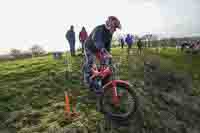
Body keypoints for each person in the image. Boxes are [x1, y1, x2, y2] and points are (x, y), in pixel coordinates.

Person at [83, 16, 121, 93]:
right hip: (89, 47)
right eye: (114, 28)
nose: (114, 30)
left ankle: (102, 79)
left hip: (98, 49)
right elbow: (98, 42)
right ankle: (87, 80)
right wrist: (104, 52)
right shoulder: (99, 29)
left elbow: (108, 46)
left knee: (105, 62)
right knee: (90, 61)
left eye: (116, 29)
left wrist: (108, 56)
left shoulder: (110, 34)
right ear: (109, 25)